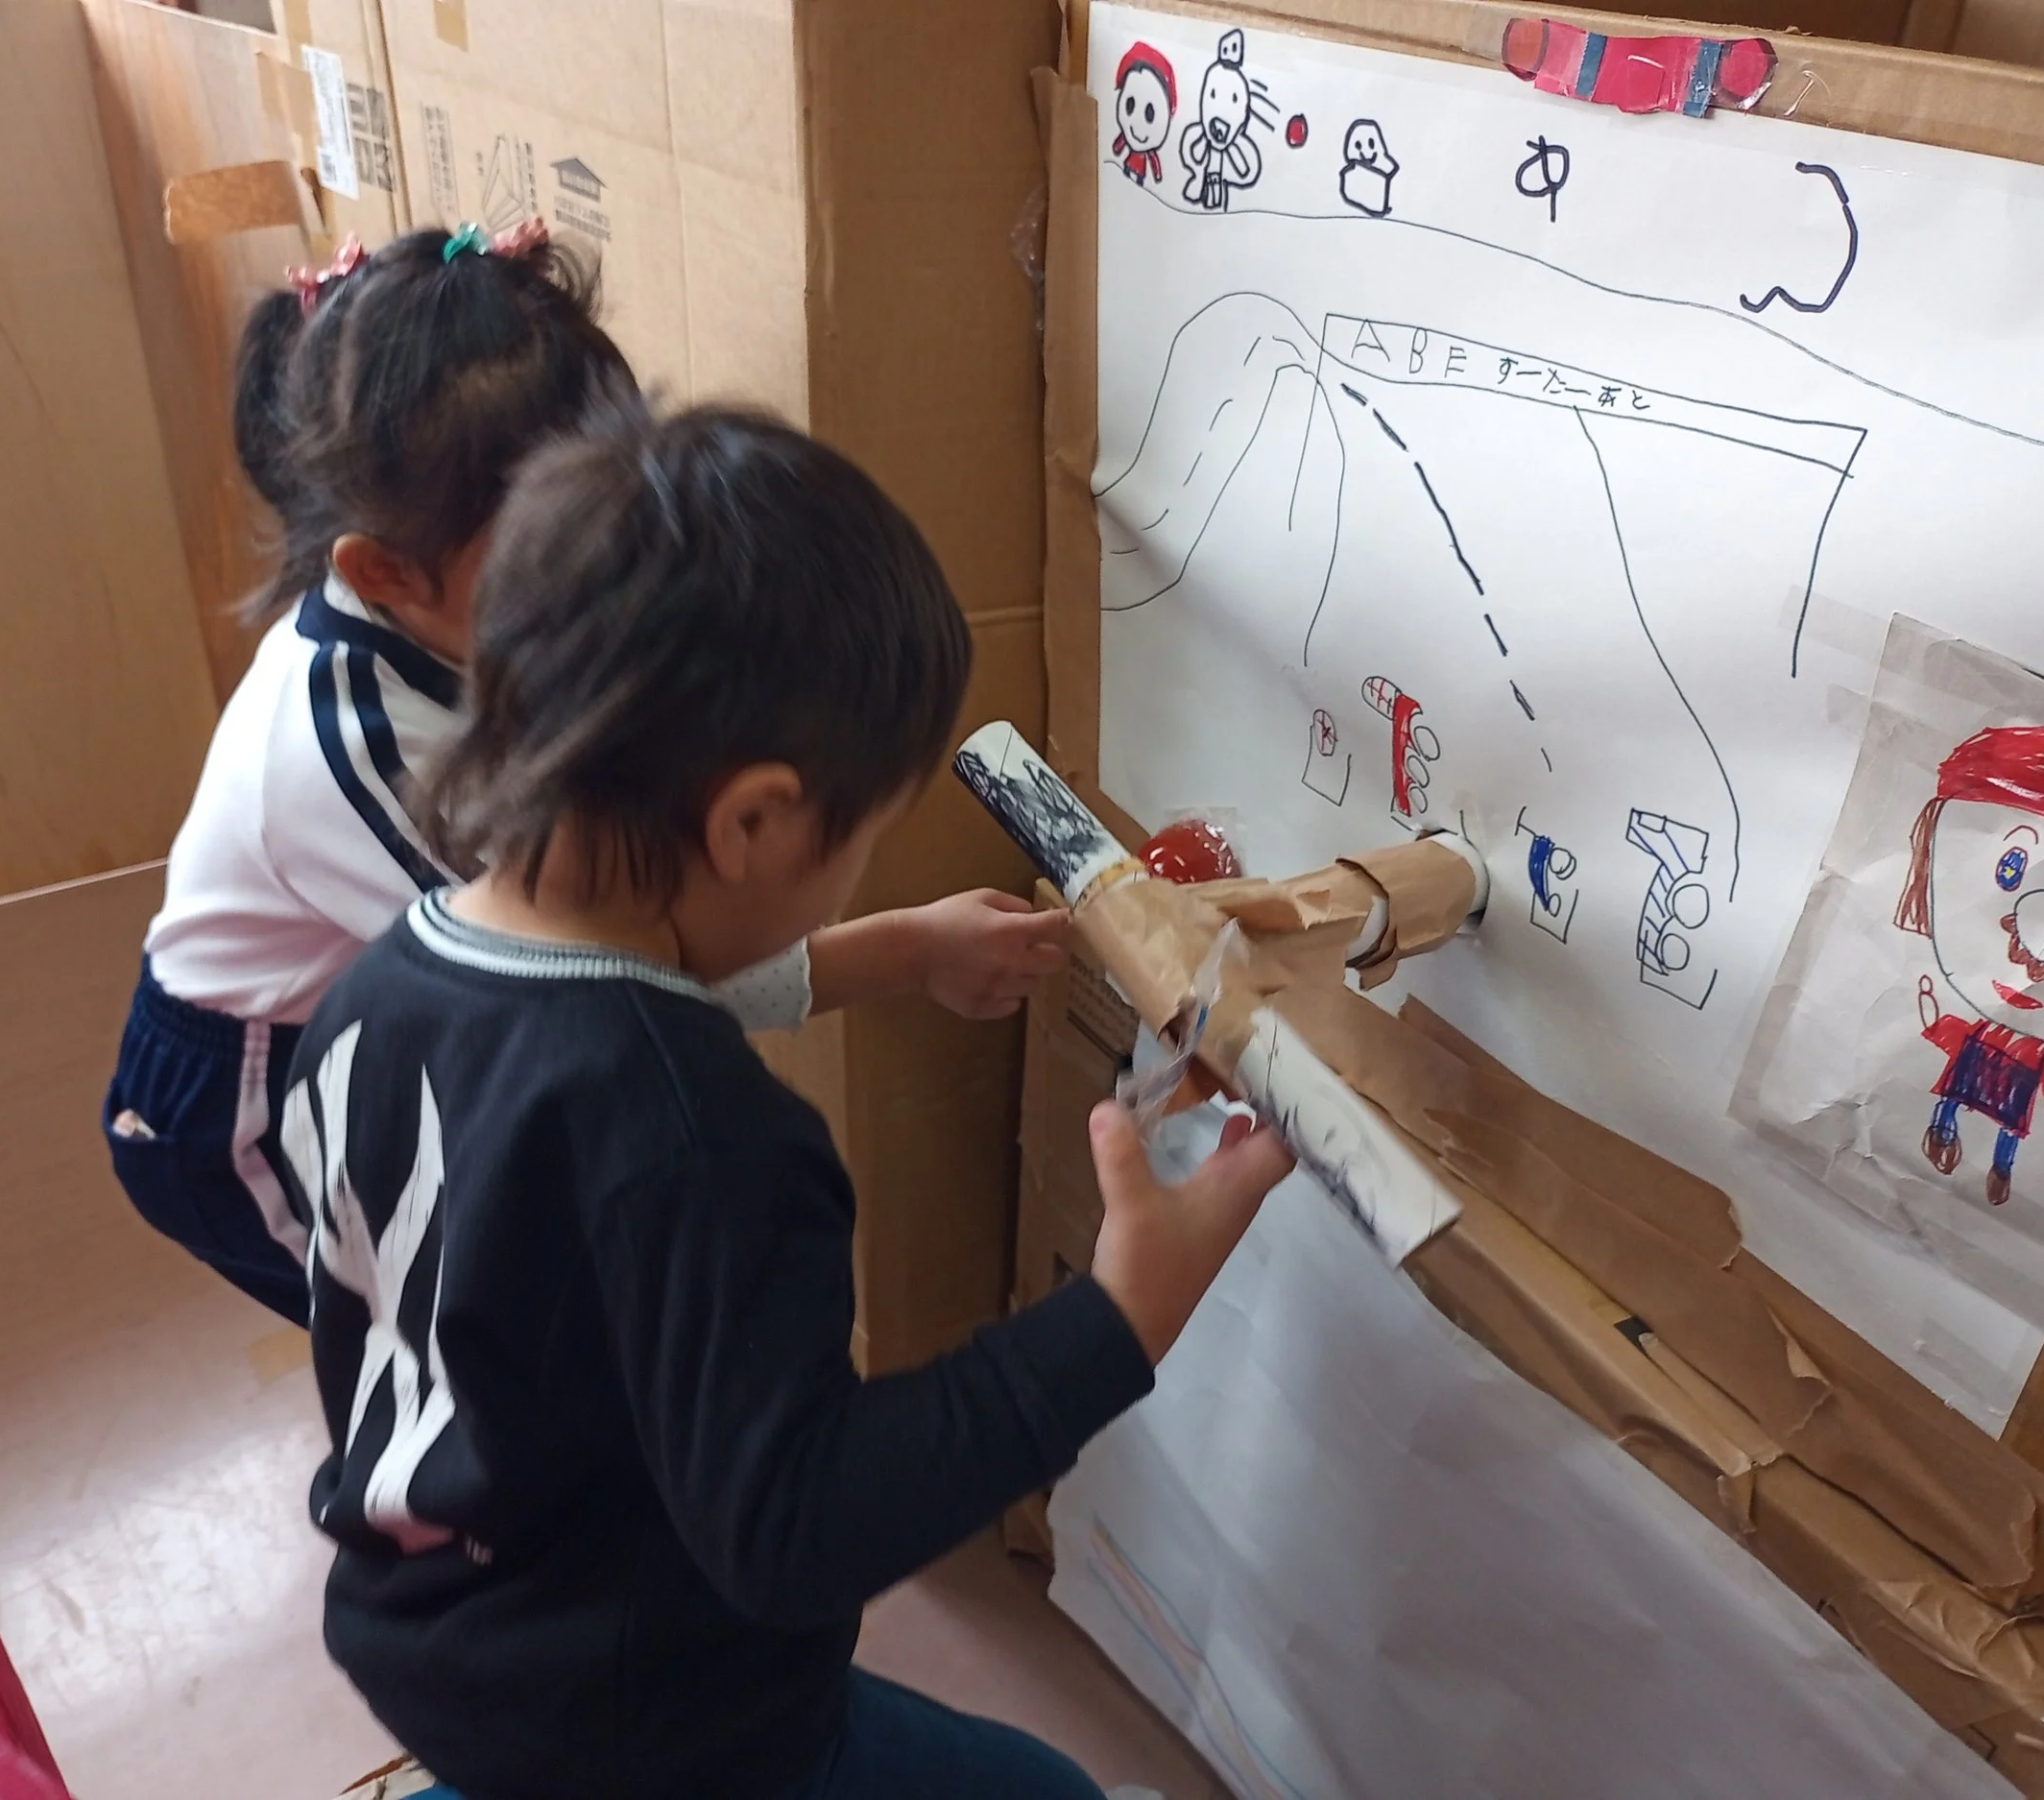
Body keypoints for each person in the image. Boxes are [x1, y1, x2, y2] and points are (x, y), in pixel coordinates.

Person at [280, 399, 1293, 1799]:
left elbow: (566, 1108)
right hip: (655, 1729)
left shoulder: (376, 993)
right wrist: (1117, 1319)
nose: (860, 872)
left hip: (445, 1633)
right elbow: (799, 1529)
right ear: (752, 820)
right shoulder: (700, 1137)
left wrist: (902, 947)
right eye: (863, 838)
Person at [104, 224, 1068, 1323]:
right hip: (239, 1104)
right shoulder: (367, 752)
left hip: (383, 1025)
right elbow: (593, 978)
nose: (609, 556)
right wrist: (906, 951)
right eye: (549, 532)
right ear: (385, 572)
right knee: (414, 1330)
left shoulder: (469, 626)